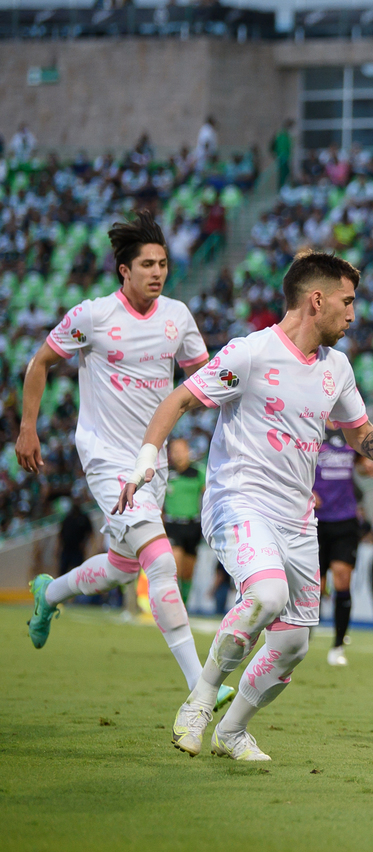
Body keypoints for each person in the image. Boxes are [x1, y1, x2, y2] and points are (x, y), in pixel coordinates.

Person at [116, 250, 373, 761]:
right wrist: (144, 462)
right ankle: (200, 700)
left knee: (293, 644)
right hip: (238, 501)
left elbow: (358, 431)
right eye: (348, 301)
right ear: (317, 300)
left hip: (298, 521)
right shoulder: (249, 354)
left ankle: (231, 731)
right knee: (266, 596)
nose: (354, 314)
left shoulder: (336, 367)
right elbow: (178, 400)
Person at [19, 213, 227, 706]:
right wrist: (28, 427)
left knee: (121, 565)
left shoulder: (177, 317)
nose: (157, 272)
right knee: (159, 561)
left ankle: (48, 594)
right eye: (147, 264)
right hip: (105, 456)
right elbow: (40, 362)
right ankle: (200, 687)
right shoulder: (93, 316)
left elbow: (207, 381)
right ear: (123, 270)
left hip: (148, 462)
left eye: (163, 264)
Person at [314, 425, 373, 667]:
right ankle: (303, 630)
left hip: (345, 519)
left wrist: (367, 467)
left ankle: (338, 644)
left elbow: (360, 464)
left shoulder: (351, 430)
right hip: (315, 519)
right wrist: (306, 491)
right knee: (315, 585)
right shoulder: (310, 425)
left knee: (342, 578)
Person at [163, 437, 205, 606]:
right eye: (174, 451)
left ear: (188, 451)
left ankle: (184, 605)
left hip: (193, 526)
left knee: (188, 573)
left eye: (181, 450)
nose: (178, 455)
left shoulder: (198, 473)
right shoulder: (166, 474)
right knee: (176, 567)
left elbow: (208, 495)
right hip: (173, 525)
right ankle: (173, 606)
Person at [57, 495, 95, 579]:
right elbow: (61, 534)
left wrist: (86, 545)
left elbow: (90, 533)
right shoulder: (67, 518)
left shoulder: (84, 518)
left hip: (78, 550)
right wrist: (58, 547)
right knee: (62, 571)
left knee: (79, 572)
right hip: (66, 549)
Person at [272, 119, 294, 189]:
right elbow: (275, 145)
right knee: (283, 173)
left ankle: (285, 187)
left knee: (287, 173)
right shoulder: (281, 134)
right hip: (282, 156)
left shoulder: (287, 135)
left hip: (286, 156)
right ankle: (281, 188)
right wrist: (277, 154)